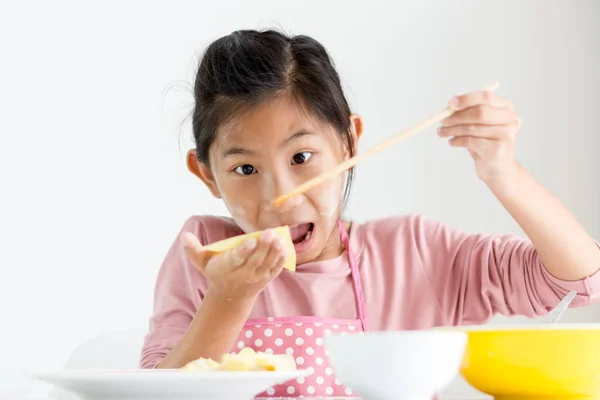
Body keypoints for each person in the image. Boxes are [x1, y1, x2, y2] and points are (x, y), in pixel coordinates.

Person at [140, 29, 600, 397]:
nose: (279, 196)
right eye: (245, 168)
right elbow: (155, 396)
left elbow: (579, 282)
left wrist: (505, 173)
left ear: (349, 144)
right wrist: (228, 298)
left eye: (301, 158)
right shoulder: (204, 256)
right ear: (206, 175)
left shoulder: (413, 253)